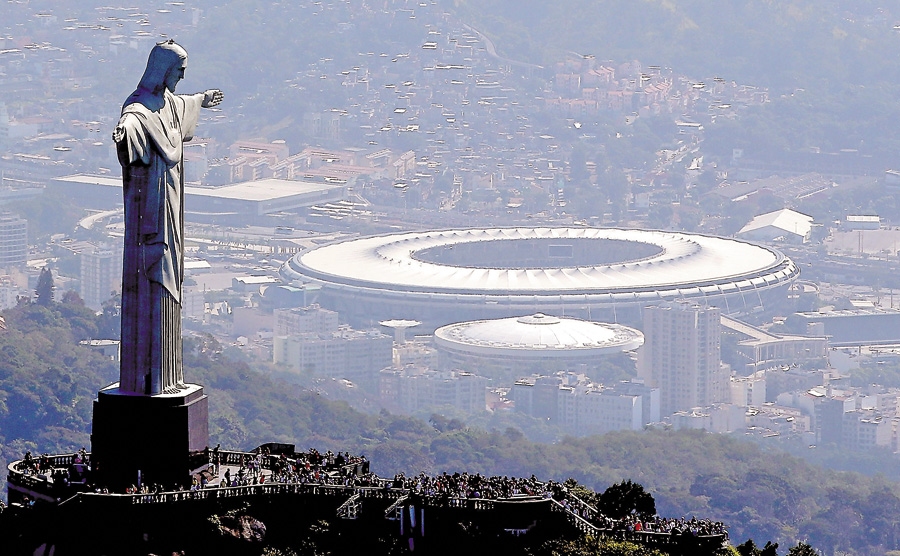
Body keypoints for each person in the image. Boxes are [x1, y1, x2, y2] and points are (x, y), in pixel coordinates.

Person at [112, 40, 222, 395]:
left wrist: (202, 98)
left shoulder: (170, 104)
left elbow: (183, 105)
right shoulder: (140, 110)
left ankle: (168, 378)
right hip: (151, 213)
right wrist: (124, 135)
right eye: (179, 70)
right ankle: (150, 381)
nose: (182, 76)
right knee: (153, 281)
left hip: (172, 208)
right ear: (162, 70)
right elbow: (130, 124)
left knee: (170, 276)